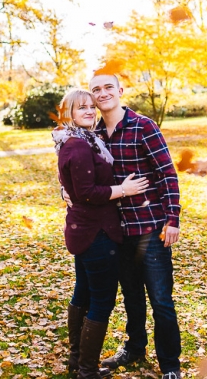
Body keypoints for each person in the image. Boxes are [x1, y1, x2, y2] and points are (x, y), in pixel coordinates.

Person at [67, 73, 183, 379]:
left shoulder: (144, 126)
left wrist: (173, 219)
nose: (102, 93)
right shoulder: (94, 135)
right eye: (96, 90)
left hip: (150, 229)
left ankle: (170, 365)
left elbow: (167, 173)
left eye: (108, 87)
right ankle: (134, 349)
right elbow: (81, 177)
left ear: (120, 90)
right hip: (117, 232)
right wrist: (66, 191)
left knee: (160, 300)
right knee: (131, 296)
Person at [53, 88, 149, 379]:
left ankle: (76, 360)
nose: (89, 111)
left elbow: (71, 184)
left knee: (82, 291)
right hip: (95, 232)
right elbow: (85, 192)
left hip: (84, 229)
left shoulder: (84, 140)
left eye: (91, 107)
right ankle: (87, 370)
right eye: (81, 107)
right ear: (68, 112)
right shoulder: (79, 145)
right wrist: (124, 190)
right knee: (102, 299)